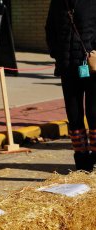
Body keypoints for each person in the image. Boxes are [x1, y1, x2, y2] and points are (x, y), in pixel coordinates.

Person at [45, 0, 96, 171]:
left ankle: (95, 159)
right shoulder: (58, 3)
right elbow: (50, 30)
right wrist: (57, 53)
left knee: (94, 113)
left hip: (92, 67)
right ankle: (81, 160)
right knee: (74, 115)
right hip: (67, 67)